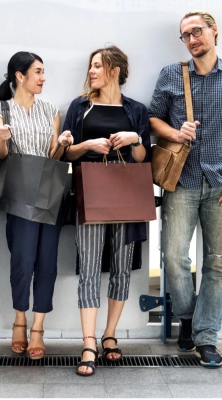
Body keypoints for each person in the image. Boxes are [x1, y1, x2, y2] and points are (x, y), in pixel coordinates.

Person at [149, 10, 222, 367]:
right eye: (185, 35)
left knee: (217, 262)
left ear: (214, 32)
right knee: (174, 258)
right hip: (180, 181)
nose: (192, 39)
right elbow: (153, 119)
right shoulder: (171, 75)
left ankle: (206, 338)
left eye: (197, 32)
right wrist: (175, 133)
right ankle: (189, 318)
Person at [63, 45, 151, 376]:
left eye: (98, 66)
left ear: (114, 70)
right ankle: (88, 342)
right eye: (91, 66)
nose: (92, 71)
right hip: (90, 193)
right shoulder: (80, 106)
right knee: (88, 267)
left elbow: (143, 159)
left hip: (128, 194)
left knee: (122, 267)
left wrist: (134, 140)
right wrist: (87, 145)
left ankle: (109, 335)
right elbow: (66, 154)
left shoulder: (136, 110)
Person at [0, 51, 73, 360]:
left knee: (47, 260)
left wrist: (62, 143)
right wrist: (1, 138)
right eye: (37, 72)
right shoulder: (0, 109)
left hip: (49, 189)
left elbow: (53, 156)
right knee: (22, 259)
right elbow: (1, 155)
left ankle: (38, 326)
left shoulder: (51, 109)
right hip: (19, 189)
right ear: (19, 76)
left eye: (44, 71)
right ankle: (19, 320)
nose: (43, 77)